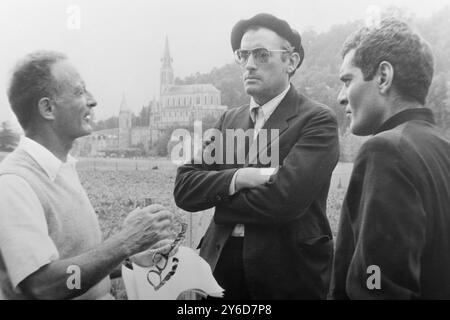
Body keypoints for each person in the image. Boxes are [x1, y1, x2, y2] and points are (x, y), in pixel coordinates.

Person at [174, 13, 339, 299]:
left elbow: (285, 200)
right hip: (219, 269)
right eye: (243, 55)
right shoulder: (228, 121)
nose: (249, 64)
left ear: (292, 61)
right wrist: (238, 178)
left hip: (287, 275)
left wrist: (219, 201)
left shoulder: (316, 120)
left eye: (262, 55)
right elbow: (185, 187)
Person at [0, 51, 174, 300]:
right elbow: (43, 286)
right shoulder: (15, 183)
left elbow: (74, 267)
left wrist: (131, 261)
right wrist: (126, 241)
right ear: (48, 108)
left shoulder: (62, 169)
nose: (92, 101)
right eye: (79, 92)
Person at [330, 18, 450, 299]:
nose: (340, 97)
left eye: (347, 80)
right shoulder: (443, 148)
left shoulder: (386, 151)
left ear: (383, 77)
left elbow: (378, 283)